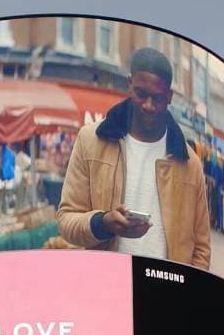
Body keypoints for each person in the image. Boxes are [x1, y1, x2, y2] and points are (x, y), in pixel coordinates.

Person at [57, 47, 210, 270]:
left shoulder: (191, 164)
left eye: (157, 98)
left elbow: (201, 248)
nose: (148, 105)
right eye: (141, 94)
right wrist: (104, 223)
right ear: (129, 84)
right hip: (107, 286)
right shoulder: (90, 140)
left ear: (169, 97)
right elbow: (66, 220)